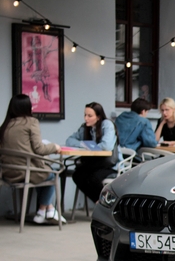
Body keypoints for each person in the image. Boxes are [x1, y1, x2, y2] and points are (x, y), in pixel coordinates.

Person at [0, 94, 66, 224]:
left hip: (8, 173)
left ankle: (46, 210)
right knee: (51, 174)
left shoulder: (5, 126)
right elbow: (39, 149)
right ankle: (45, 211)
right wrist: (54, 146)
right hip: (26, 172)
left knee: (42, 173)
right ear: (28, 107)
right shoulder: (31, 122)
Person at [66, 102, 122, 204]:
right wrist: (84, 144)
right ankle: (98, 202)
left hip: (110, 165)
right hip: (94, 164)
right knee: (77, 175)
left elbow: (106, 146)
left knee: (93, 178)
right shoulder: (85, 127)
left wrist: (91, 146)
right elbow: (69, 141)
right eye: (85, 115)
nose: (86, 118)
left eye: (90, 116)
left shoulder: (107, 124)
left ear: (98, 116)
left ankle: (108, 203)